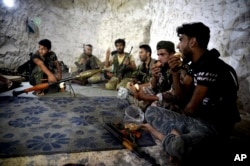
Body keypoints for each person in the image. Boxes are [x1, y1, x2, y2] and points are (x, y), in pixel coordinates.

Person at [140, 22, 241, 165]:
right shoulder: (195, 65)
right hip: (196, 120)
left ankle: (160, 135)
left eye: (181, 40)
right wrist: (174, 73)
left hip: (213, 126)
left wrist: (175, 118)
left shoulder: (210, 65)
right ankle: (178, 138)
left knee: (179, 145)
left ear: (192, 42)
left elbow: (191, 108)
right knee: (151, 111)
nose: (178, 46)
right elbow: (182, 96)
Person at [127, 41, 174, 110]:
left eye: (162, 55)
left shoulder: (176, 69)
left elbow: (172, 95)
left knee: (152, 108)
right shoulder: (161, 67)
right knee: (130, 93)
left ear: (172, 54)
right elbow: (154, 86)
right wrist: (154, 76)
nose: (159, 58)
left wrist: (145, 97)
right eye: (158, 55)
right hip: (157, 93)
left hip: (167, 99)